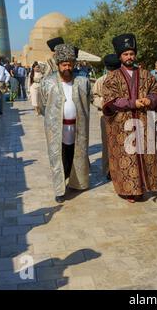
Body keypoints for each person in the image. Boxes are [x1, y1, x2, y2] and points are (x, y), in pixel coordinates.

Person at [100, 33, 157, 203]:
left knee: (145, 156)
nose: (129, 57)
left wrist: (150, 99)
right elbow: (111, 101)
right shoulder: (112, 77)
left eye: (131, 54)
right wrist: (133, 103)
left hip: (143, 123)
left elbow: (156, 93)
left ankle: (143, 187)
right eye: (126, 54)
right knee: (127, 157)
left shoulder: (146, 74)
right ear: (120, 56)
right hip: (123, 126)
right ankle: (129, 191)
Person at [39, 44, 91, 204]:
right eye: (64, 64)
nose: (67, 67)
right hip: (56, 129)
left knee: (75, 154)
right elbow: (43, 105)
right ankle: (60, 189)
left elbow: (87, 102)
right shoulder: (47, 82)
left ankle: (76, 183)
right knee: (58, 157)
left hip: (78, 127)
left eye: (70, 64)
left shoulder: (82, 81)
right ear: (58, 64)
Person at [91, 54, 121, 180]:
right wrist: (104, 102)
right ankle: (109, 170)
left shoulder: (124, 80)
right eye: (111, 69)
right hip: (105, 117)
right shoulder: (100, 81)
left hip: (122, 116)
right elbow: (93, 98)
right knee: (107, 144)